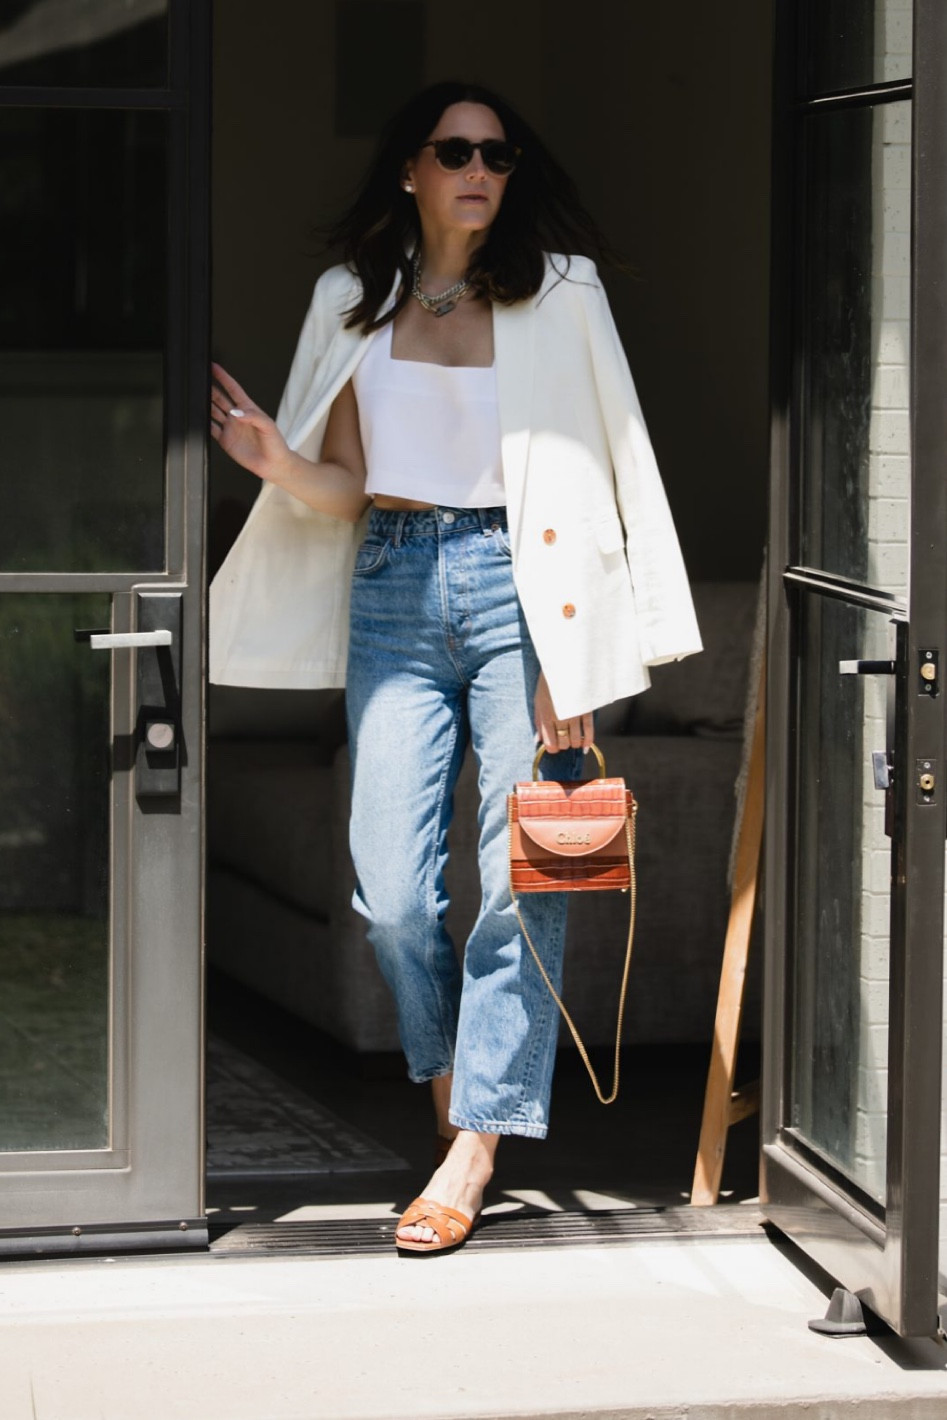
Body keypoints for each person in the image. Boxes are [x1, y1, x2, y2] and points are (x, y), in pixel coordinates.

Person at [209, 80, 701, 1254]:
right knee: (387, 891)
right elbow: (346, 482)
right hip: (390, 581)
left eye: (499, 153)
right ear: (409, 171)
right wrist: (275, 460)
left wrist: (578, 659)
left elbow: (604, 464)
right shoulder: (351, 300)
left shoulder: (560, 293)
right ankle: (451, 1079)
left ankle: (472, 1140)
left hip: (517, 595)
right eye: (456, 150)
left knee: (523, 874)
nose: (481, 169)